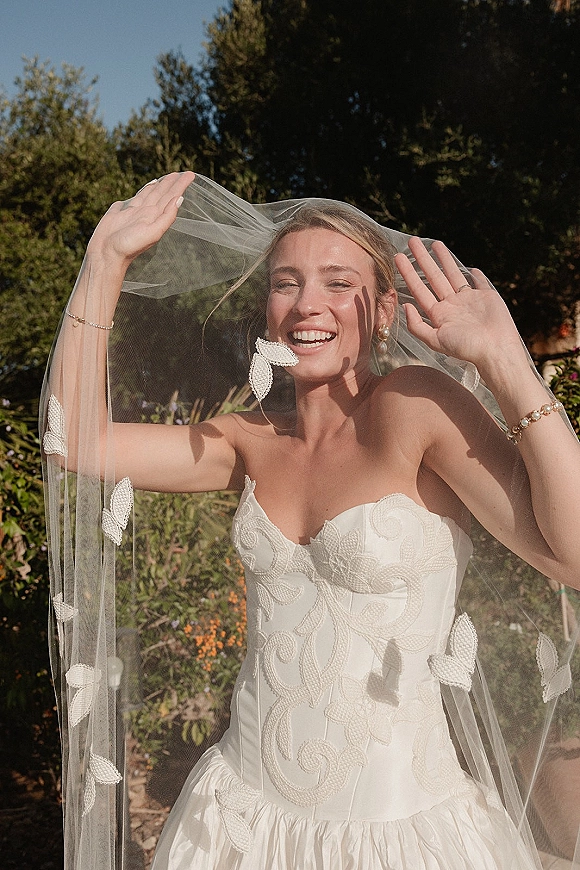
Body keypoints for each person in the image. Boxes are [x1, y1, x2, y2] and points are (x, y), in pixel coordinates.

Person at [42, 172, 580, 870]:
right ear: (266, 310)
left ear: (383, 310)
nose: (307, 303)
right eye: (286, 282)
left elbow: (571, 555)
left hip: (397, 836)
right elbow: (72, 440)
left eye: (336, 281)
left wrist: (507, 361)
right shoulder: (248, 439)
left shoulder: (415, 407)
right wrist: (103, 262)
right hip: (241, 821)